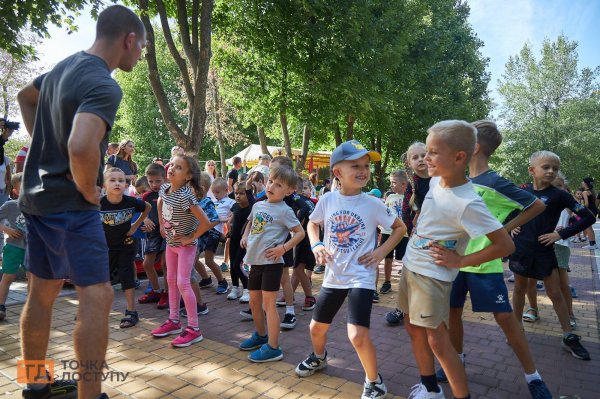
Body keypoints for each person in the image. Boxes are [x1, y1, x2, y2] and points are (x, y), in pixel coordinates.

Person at [16, 5, 146, 398]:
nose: (140, 55)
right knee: (98, 295)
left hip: (36, 200)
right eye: (141, 46)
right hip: (72, 205)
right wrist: (88, 186)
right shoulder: (104, 84)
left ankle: (35, 385)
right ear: (128, 40)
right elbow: (79, 144)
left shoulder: (62, 67)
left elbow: (26, 97)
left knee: (42, 291)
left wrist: (44, 143)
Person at [433, 120, 550, 398]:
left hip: (484, 262)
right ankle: (457, 359)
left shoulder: (495, 182)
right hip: (452, 261)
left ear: (473, 148)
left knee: (505, 317)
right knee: (452, 313)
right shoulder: (453, 180)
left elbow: (537, 205)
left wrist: (505, 229)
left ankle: (533, 376)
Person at [400, 121, 515, 399]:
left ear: (460, 157)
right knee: (412, 327)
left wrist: (460, 261)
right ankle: (430, 388)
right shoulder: (437, 180)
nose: (426, 158)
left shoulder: (469, 201)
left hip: (432, 277)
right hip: (410, 267)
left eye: (433, 152)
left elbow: (505, 245)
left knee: (438, 341)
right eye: (425, 152)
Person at [295, 140, 405, 399]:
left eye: (366, 166)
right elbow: (312, 224)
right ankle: (319, 357)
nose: (363, 170)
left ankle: (374, 380)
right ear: (337, 173)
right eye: (355, 165)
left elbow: (400, 228)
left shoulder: (374, 203)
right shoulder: (328, 199)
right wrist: (317, 244)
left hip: (361, 277)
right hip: (334, 276)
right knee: (316, 328)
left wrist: (380, 252)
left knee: (356, 334)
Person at [509, 151, 595, 361]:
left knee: (555, 293)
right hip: (521, 249)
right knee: (519, 289)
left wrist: (560, 234)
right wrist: (511, 227)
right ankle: (516, 329)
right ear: (532, 170)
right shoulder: (522, 191)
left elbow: (588, 217)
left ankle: (568, 335)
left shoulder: (560, 195)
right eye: (546, 167)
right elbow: (508, 210)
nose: (551, 171)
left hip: (545, 251)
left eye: (555, 168)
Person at [238, 166, 305, 362]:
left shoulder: (285, 211)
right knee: (254, 303)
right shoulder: (258, 205)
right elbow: (250, 223)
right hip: (255, 262)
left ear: (289, 191)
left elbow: (300, 233)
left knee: (269, 305)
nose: (272, 187)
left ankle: (274, 347)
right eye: (270, 182)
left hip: (272, 263)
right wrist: (245, 235)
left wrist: (283, 249)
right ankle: (260, 335)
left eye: (278, 185)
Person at [151, 155, 211, 347]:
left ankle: (194, 329)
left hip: (185, 246)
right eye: (172, 165)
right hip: (171, 244)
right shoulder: (164, 188)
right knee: (170, 280)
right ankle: (174, 321)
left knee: (183, 282)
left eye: (178, 168)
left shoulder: (186, 196)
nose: (171, 169)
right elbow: (160, 201)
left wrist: (190, 238)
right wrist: (161, 221)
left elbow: (206, 223)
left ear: (187, 176)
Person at [100, 167, 150, 328]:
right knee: (101, 279)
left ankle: (131, 311)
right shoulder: (99, 203)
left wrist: (135, 225)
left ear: (126, 185)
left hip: (126, 245)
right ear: (104, 185)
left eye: (121, 180)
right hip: (106, 247)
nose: (117, 183)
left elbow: (147, 207)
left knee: (127, 277)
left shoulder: (131, 201)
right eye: (112, 180)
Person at [137, 164, 169, 307]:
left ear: (165, 179)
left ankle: (168, 294)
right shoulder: (146, 196)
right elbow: (140, 210)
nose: (154, 185)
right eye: (151, 181)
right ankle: (156, 291)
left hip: (168, 231)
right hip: (154, 233)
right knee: (147, 264)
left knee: (165, 264)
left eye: (158, 181)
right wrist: (145, 218)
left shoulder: (170, 193)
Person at [0, 173, 28, 321]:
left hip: (32, 249)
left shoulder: (38, 206)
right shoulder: (10, 206)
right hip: (13, 247)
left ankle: (32, 306)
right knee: (8, 276)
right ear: (16, 191)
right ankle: (1, 306)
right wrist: (7, 230)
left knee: (33, 277)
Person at [379, 170, 409, 296]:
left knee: (405, 258)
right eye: (391, 182)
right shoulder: (390, 197)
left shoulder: (409, 198)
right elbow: (383, 211)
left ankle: (406, 284)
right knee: (388, 257)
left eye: (394, 182)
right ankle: (387, 282)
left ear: (403, 184)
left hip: (404, 233)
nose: (391, 185)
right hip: (387, 231)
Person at [226, 182, 255, 303]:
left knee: (237, 264)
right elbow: (230, 220)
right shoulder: (235, 206)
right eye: (236, 193)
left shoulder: (251, 208)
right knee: (232, 264)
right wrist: (228, 228)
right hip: (233, 238)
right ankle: (235, 287)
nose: (238, 196)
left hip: (244, 241)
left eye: (241, 193)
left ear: (248, 194)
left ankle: (247, 288)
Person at [580, 177, 597, 249]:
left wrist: (579, 209)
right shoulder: (592, 191)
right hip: (594, 210)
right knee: (589, 227)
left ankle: (592, 244)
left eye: (582, 181)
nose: (581, 183)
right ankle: (593, 244)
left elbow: (586, 204)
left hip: (589, 210)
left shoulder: (584, 192)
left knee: (588, 227)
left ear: (585, 183)